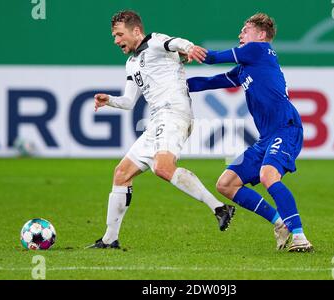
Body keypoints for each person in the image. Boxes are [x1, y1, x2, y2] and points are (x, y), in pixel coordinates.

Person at [88, 10, 235, 249]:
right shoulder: (132, 63)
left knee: (163, 168)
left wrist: (188, 48)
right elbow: (128, 101)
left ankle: (219, 207)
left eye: (119, 34)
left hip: (174, 114)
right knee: (121, 174)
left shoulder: (155, 42)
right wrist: (110, 101)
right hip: (157, 121)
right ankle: (109, 239)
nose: (116, 40)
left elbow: (174, 42)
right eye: (113, 36)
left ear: (136, 31)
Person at [187, 13, 313, 252]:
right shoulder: (247, 66)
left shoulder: (259, 50)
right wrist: (177, 84)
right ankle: (279, 222)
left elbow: (212, 58)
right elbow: (211, 81)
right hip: (266, 138)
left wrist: (189, 50)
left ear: (261, 35)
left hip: (286, 128)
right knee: (226, 184)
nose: (240, 34)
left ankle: (300, 237)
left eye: (245, 30)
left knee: (268, 175)